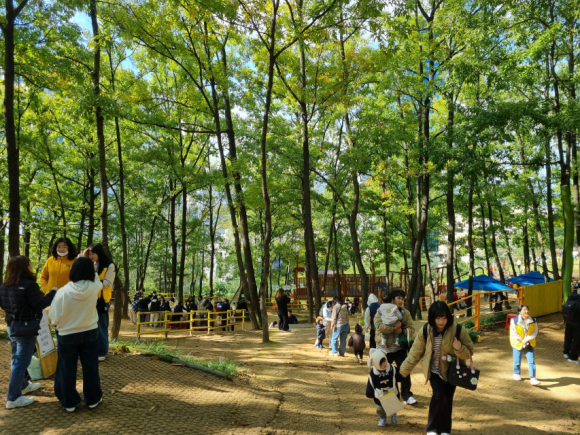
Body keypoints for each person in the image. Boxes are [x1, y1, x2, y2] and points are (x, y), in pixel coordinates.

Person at [399, 301, 474, 435]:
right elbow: (415, 353)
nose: (441, 322)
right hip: (434, 370)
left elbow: (469, 352)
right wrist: (403, 371)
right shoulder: (426, 330)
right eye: (438, 318)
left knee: (447, 399)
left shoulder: (457, 329)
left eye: (444, 318)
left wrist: (458, 348)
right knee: (438, 396)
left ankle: (445, 430)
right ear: (432, 318)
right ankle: (432, 428)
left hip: (452, 371)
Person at [0, 256, 56, 409]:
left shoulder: (4, 286)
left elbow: (3, 305)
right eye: (29, 264)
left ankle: (23, 385)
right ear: (25, 267)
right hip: (26, 328)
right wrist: (52, 293)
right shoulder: (30, 285)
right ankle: (13, 397)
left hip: (12, 326)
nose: (31, 266)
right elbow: (40, 304)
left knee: (16, 358)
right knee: (21, 362)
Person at [48, 257, 103, 412]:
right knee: (91, 367)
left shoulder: (63, 292)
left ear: (73, 271)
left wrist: (61, 325)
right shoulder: (95, 287)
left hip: (67, 334)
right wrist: (93, 266)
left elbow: (54, 317)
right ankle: (93, 399)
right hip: (90, 332)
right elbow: (97, 278)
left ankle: (69, 402)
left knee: (67, 368)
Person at [375, 290, 417, 406]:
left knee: (404, 370)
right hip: (384, 348)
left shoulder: (405, 313)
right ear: (392, 299)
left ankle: (407, 395)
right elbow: (378, 325)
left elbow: (412, 329)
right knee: (384, 373)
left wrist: (402, 331)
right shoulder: (382, 310)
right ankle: (388, 396)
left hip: (399, 348)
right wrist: (393, 329)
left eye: (403, 299)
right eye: (399, 298)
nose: (401, 301)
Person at [82, 243, 116, 362]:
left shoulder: (109, 265)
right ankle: (92, 350)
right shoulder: (91, 263)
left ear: (99, 253)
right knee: (89, 327)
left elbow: (108, 283)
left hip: (101, 301)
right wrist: (84, 257)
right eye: (89, 254)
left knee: (101, 327)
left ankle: (102, 352)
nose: (91, 256)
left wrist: (92, 281)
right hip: (89, 299)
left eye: (93, 254)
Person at [365, 348, 400, 427]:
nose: (384, 364)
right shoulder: (373, 373)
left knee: (393, 405)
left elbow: (399, 375)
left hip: (392, 391)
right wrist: (370, 393)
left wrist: (403, 374)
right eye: (381, 363)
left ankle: (393, 414)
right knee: (380, 408)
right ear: (376, 363)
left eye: (385, 361)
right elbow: (371, 383)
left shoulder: (392, 369)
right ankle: (382, 418)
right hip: (380, 394)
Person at [510, 304, 541, 385]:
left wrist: (526, 340)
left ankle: (533, 378)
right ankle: (516, 373)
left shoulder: (533, 320)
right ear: (519, 312)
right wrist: (522, 341)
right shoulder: (514, 320)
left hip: (529, 343)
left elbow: (535, 332)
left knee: (531, 361)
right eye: (524, 310)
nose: (527, 311)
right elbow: (514, 333)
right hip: (517, 343)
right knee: (517, 361)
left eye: (527, 309)